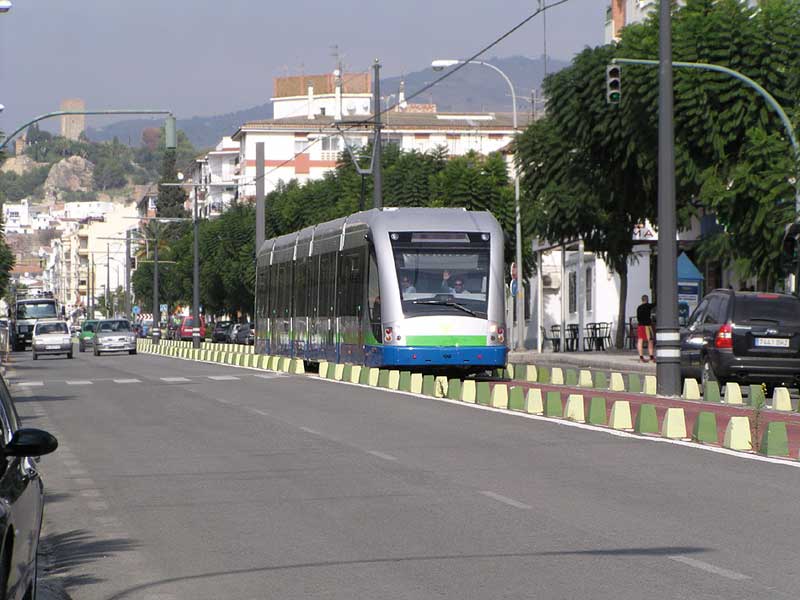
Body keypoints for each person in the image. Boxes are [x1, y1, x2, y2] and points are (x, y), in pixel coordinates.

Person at [636, 294, 656, 362]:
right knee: (650, 341)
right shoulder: (648, 306)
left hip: (640, 326)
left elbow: (638, 317)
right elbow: (655, 304)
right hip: (647, 326)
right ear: (647, 300)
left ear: (642, 300)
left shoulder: (639, 307)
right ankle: (651, 357)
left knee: (640, 340)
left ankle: (641, 357)